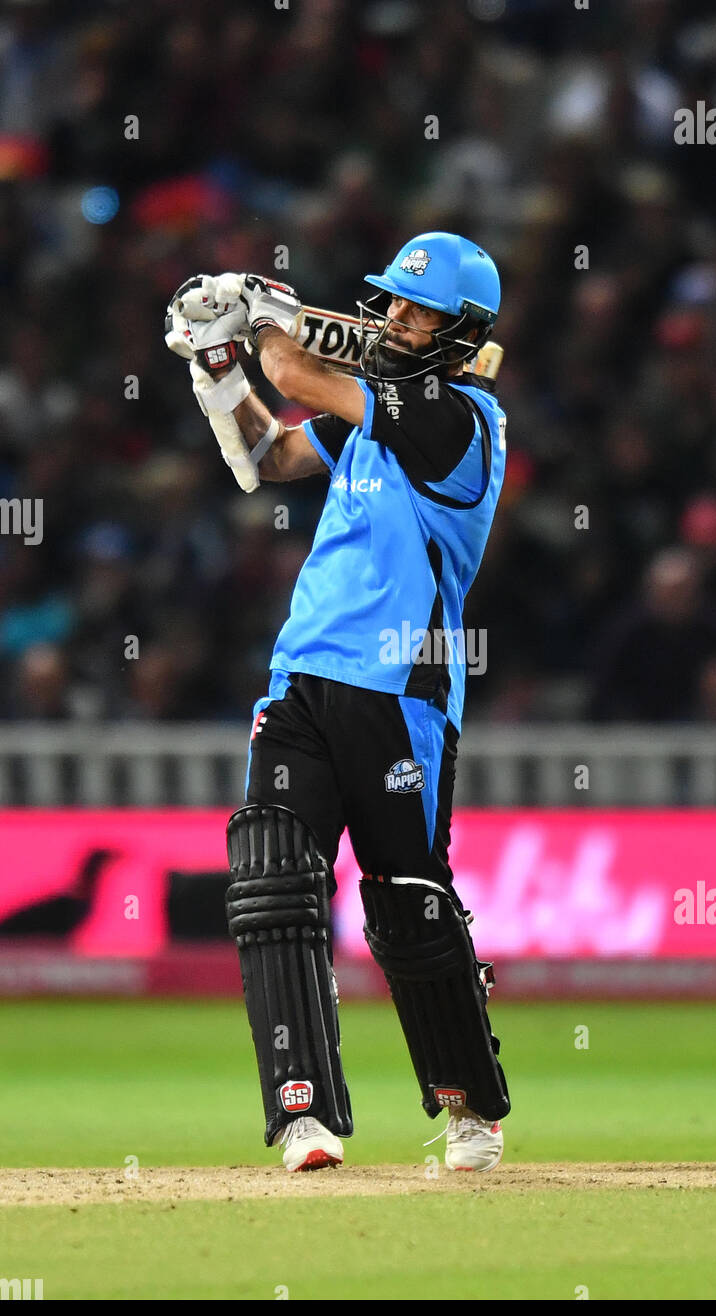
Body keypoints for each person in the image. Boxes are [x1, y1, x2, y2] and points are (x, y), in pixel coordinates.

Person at [166, 232, 510, 1172]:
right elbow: (272, 455)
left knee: (408, 904)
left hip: (401, 692)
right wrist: (218, 374)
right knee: (274, 880)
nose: (396, 318)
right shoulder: (373, 414)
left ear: (461, 332)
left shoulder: (460, 424)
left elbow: (301, 374)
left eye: (416, 309)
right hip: (303, 675)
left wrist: (262, 314)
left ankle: (469, 1107)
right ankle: (303, 1113)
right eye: (391, 303)